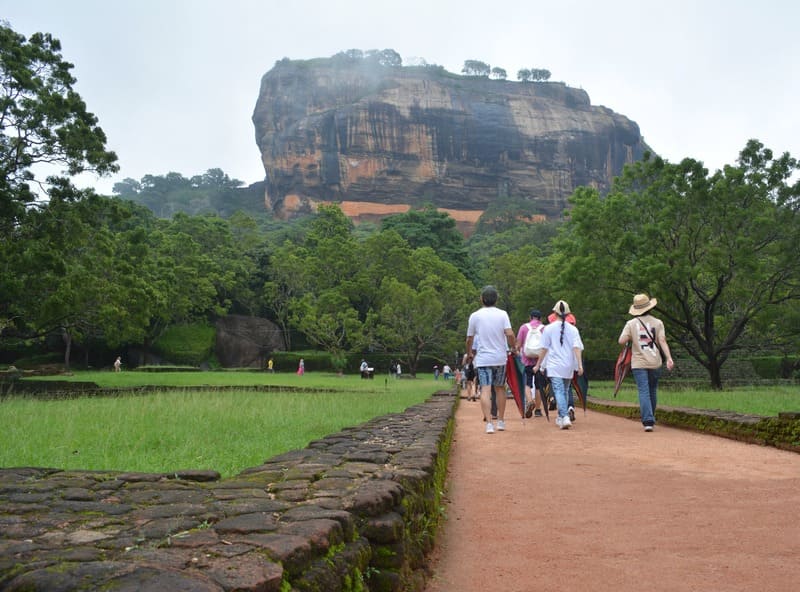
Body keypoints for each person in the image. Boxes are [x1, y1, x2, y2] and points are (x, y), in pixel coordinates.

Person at [618, 293, 675, 431]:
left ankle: (648, 421)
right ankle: (651, 417)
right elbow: (662, 341)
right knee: (652, 390)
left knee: (643, 390)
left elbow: (621, 341)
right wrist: (669, 358)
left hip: (638, 362)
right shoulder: (658, 322)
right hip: (655, 361)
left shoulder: (631, 324)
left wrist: (632, 338)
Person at [465, 285, 517, 434]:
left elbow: (469, 338)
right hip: (500, 358)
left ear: (481, 299)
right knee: (500, 388)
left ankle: (489, 423)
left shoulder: (475, 316)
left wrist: (469, 353)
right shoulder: (503, 314)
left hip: (483, 359)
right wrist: (513, 348)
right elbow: (510, 333)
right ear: (496, 299)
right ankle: (500, 420)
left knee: (485, 389)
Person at [533, 300, 584, 430]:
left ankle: (565, 416)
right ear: (568, 314)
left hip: (554, 365)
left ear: (554, 313)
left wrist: (538, 365)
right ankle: (561, 417)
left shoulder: (548, 329)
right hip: (568, 365)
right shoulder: (573, 329)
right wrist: (579, 365)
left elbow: (544, 349)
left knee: (559, 391)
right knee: (565, 391)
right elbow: (577, 347)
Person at [516, 310, 544, 417]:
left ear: (530, 317)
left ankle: (529, 401)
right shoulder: (543, 328)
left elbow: (518, 345)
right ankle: (537, 409)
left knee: (527, 384)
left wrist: (517, 353)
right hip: (539, 362)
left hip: (526, 361)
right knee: (538, 386)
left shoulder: (524, 328)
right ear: (540, 319)